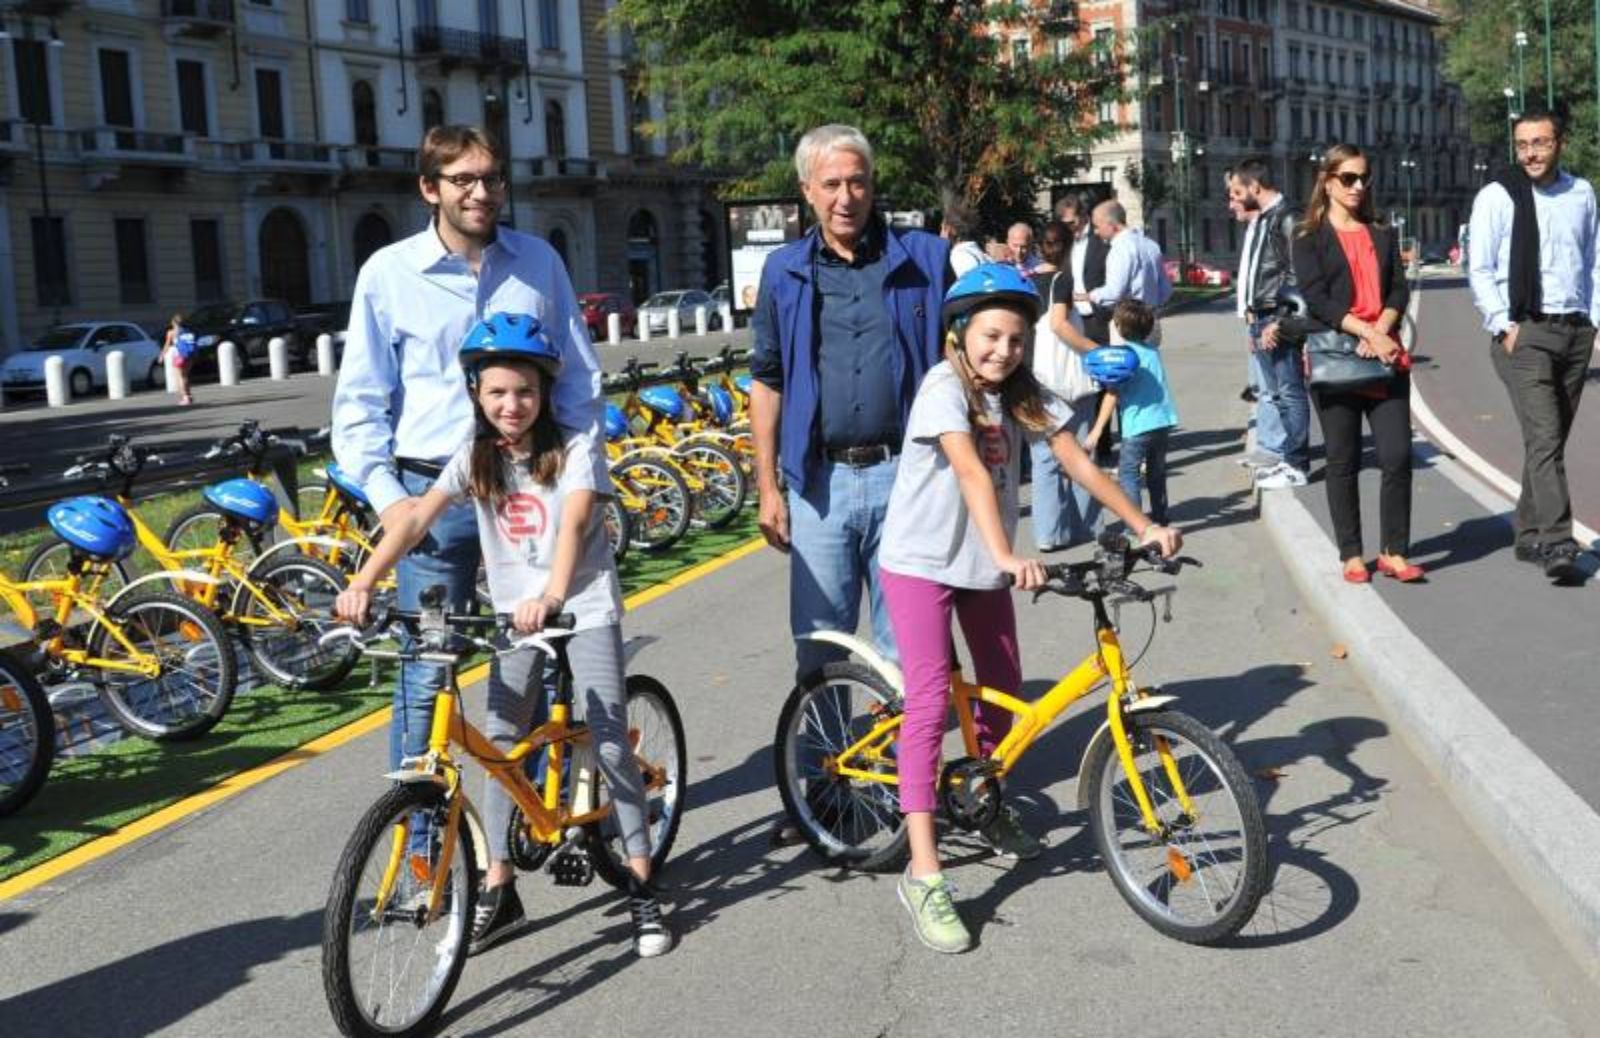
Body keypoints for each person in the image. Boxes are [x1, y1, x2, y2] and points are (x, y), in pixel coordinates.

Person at [333, 314, 671, 958]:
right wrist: (366, 579)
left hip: (582, 604)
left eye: (524, 391)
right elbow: (414, 520)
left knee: (607, 741)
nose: (511, 405)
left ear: (544, 393)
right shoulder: (473, 457)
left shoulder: (574, 447)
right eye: (496, 393)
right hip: (516, 612)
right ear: (475, 395)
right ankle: (499, 884)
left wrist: (552, 594)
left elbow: (572, 526)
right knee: (500, 744)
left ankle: (641, 880)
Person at [877, 264, 1180, 954]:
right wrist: (1010, 556)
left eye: (1015, 338)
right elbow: (972, 472)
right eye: (990, 336)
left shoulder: (1020, 394)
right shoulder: (942, 388)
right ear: (959, 334)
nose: (1003, 350)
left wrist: (1142, 523)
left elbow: (1077, 459)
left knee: (1005, 693)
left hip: (982, 565)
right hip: (922, 563)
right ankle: (925, 872)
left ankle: (985, 803)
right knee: (928, 706)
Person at [331, 125, 605, 781]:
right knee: (426, 677)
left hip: (528, 489)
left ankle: (528, 822)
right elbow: (359, 404)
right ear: (431, 188)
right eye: (464, 180)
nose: (482, 192)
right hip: (433, 496)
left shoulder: (538, 261)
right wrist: (392, 502)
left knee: (532, 657)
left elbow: (578, 380)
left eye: (492, 178)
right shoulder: (388, 274)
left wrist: (584, 476)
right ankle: (424, 856)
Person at [748, 124, 949, 684]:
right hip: (819, 486)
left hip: (907, 478)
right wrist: (768, 487)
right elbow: (767, 381)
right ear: (807, 190)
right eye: (831, 184)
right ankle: (819, 771)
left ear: (872, 184)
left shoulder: (927, 260)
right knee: (818, 647)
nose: (846, 197)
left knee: (905, 648)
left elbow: (969, 361)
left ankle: (901, 768)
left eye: (857, 182)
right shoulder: (783, 271)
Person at [1468, 109, 1597, 584]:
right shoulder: (1498, 197)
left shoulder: (1581, 193)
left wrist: (1595, 320)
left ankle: (1527, 533)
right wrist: (1504, 326)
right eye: (1522, 145)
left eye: (1540, 143)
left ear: (1559, 142)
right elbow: (1479, 269)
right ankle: (1558, 541)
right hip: (1525, 334)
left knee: (1551, 439)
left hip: (1576, 330)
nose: (1530, 153)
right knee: (1545, 438)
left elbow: (1594, 257)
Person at [1290, 144, 1420, 584]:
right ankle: (1351, 552)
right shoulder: (1307, 236)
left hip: (1386, 358)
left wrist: (1381, 329)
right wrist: (1365, 333)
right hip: (1337, 358)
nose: (1359, 186)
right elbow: (1317, 299)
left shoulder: (1381, 231)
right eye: (1349, 178)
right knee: (1342, 460)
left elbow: (1399, 290)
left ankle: (1394, 551)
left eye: (1364, 178)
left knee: (1397, 456)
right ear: (1327, 181)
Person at [1231, 157, 1310, 490]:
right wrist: (1252, 316)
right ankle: (1284, 458)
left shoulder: (1287, 217)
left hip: (1276, 317)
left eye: (1237, 191)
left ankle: (1297, 463)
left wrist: (1277, 320)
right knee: (1275, 393)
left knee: (1290, 391)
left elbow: (1296, 273)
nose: (1233, 199)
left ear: (1254, 187)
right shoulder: (1266, 218)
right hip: (1261, 316)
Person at [1030, 219, 1101, 550]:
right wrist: (1095, 349)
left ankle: (1048, 533)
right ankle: (1085, 527)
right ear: (1069, 246)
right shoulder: (1062, 279)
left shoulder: (1027, 280)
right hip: (1066, 379)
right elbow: (1059, 325)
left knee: (1044, 458)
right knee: (1081, 451)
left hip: (1036, 378)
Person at [1085, 300, 1178, 525]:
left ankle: (1136, 525)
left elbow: (1112, 394)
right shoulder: (1152, 351)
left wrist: (1096, 432)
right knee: (1156, 472)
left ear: (1118, 327)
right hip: (1163, 421)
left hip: (1137, 425)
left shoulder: (1123, 357)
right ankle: (1161, 516)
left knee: (1129, 474)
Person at [1086, 200, 1173, 340]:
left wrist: (1090, 295)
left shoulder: (1120, 249)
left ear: (1111, 224)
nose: (1095, 231)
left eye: (1097, 226)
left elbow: (1114, 292)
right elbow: (1166, 290)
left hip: (1127, 325)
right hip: (1150, 322)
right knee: (1149, 361)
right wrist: (1151, 308)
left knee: (1127, 361)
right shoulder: (1151, 245)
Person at [941, 200, 989, 277]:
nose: (940, 235)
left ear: (949, 230)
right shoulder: (980, 253)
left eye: (942, 229)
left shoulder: (960, 255)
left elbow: (970, 286)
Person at [162, 312, 196, 406]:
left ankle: (185, 397)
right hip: (189, 355)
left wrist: (161, 356)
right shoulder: (188, 331)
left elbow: (167, 346)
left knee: (180, 377)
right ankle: (189, 395)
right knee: (186, 376)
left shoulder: (171, 333)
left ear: (174, 323)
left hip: (179, 356)